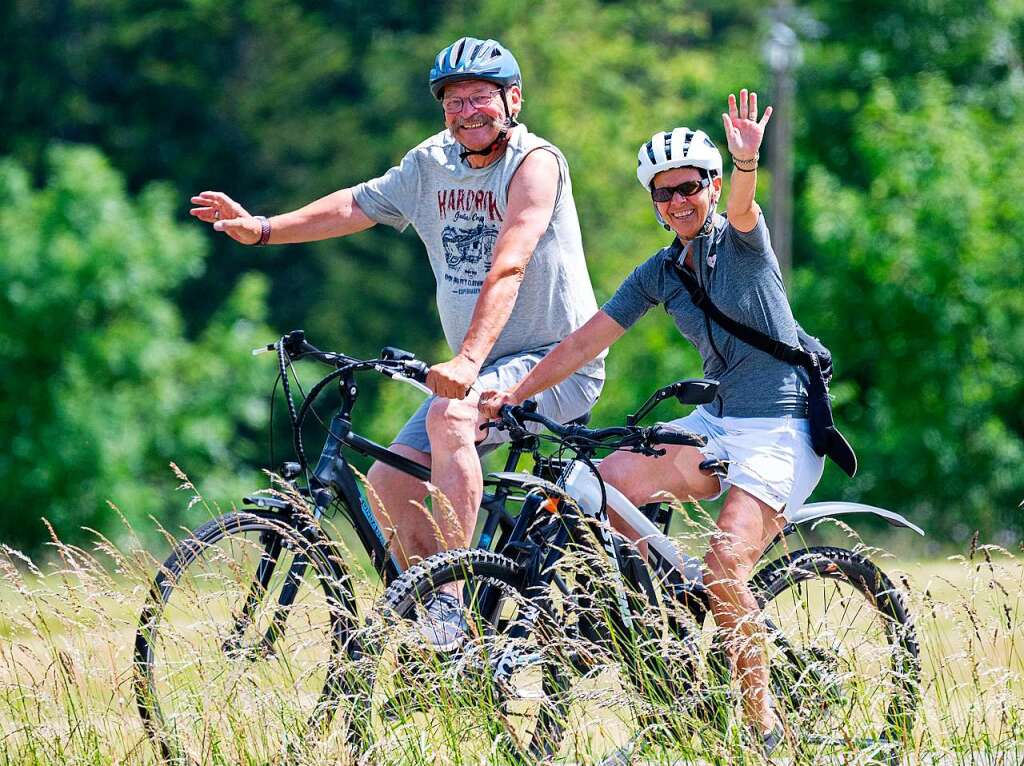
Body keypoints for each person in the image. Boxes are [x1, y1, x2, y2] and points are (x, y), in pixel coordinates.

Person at [189, 37, 605, 644]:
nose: (466, 111)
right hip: (481, 368)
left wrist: (467, 358)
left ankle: (451, 606)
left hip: (556, 364)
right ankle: (445, 634)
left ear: (513, 100)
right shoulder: (430, 164)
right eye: (453, 100)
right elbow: (355, 205)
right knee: (389, 481)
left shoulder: (535, 163)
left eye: (480, 98)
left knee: (451, 419)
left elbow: (510, 263)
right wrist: (262, 229)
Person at [480, 90, 821, 749]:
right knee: (597, 483)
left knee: (725, 569)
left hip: (781, 428)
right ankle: (666, 621)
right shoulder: (661, 271)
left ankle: (763, 731)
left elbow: (747, 205)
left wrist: (747, 159)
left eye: (690, 187)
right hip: (719, 424)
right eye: (663, 194)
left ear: (712, 186)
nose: (678, 203)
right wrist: (513, 393)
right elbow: (585, 341)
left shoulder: (742, 245)